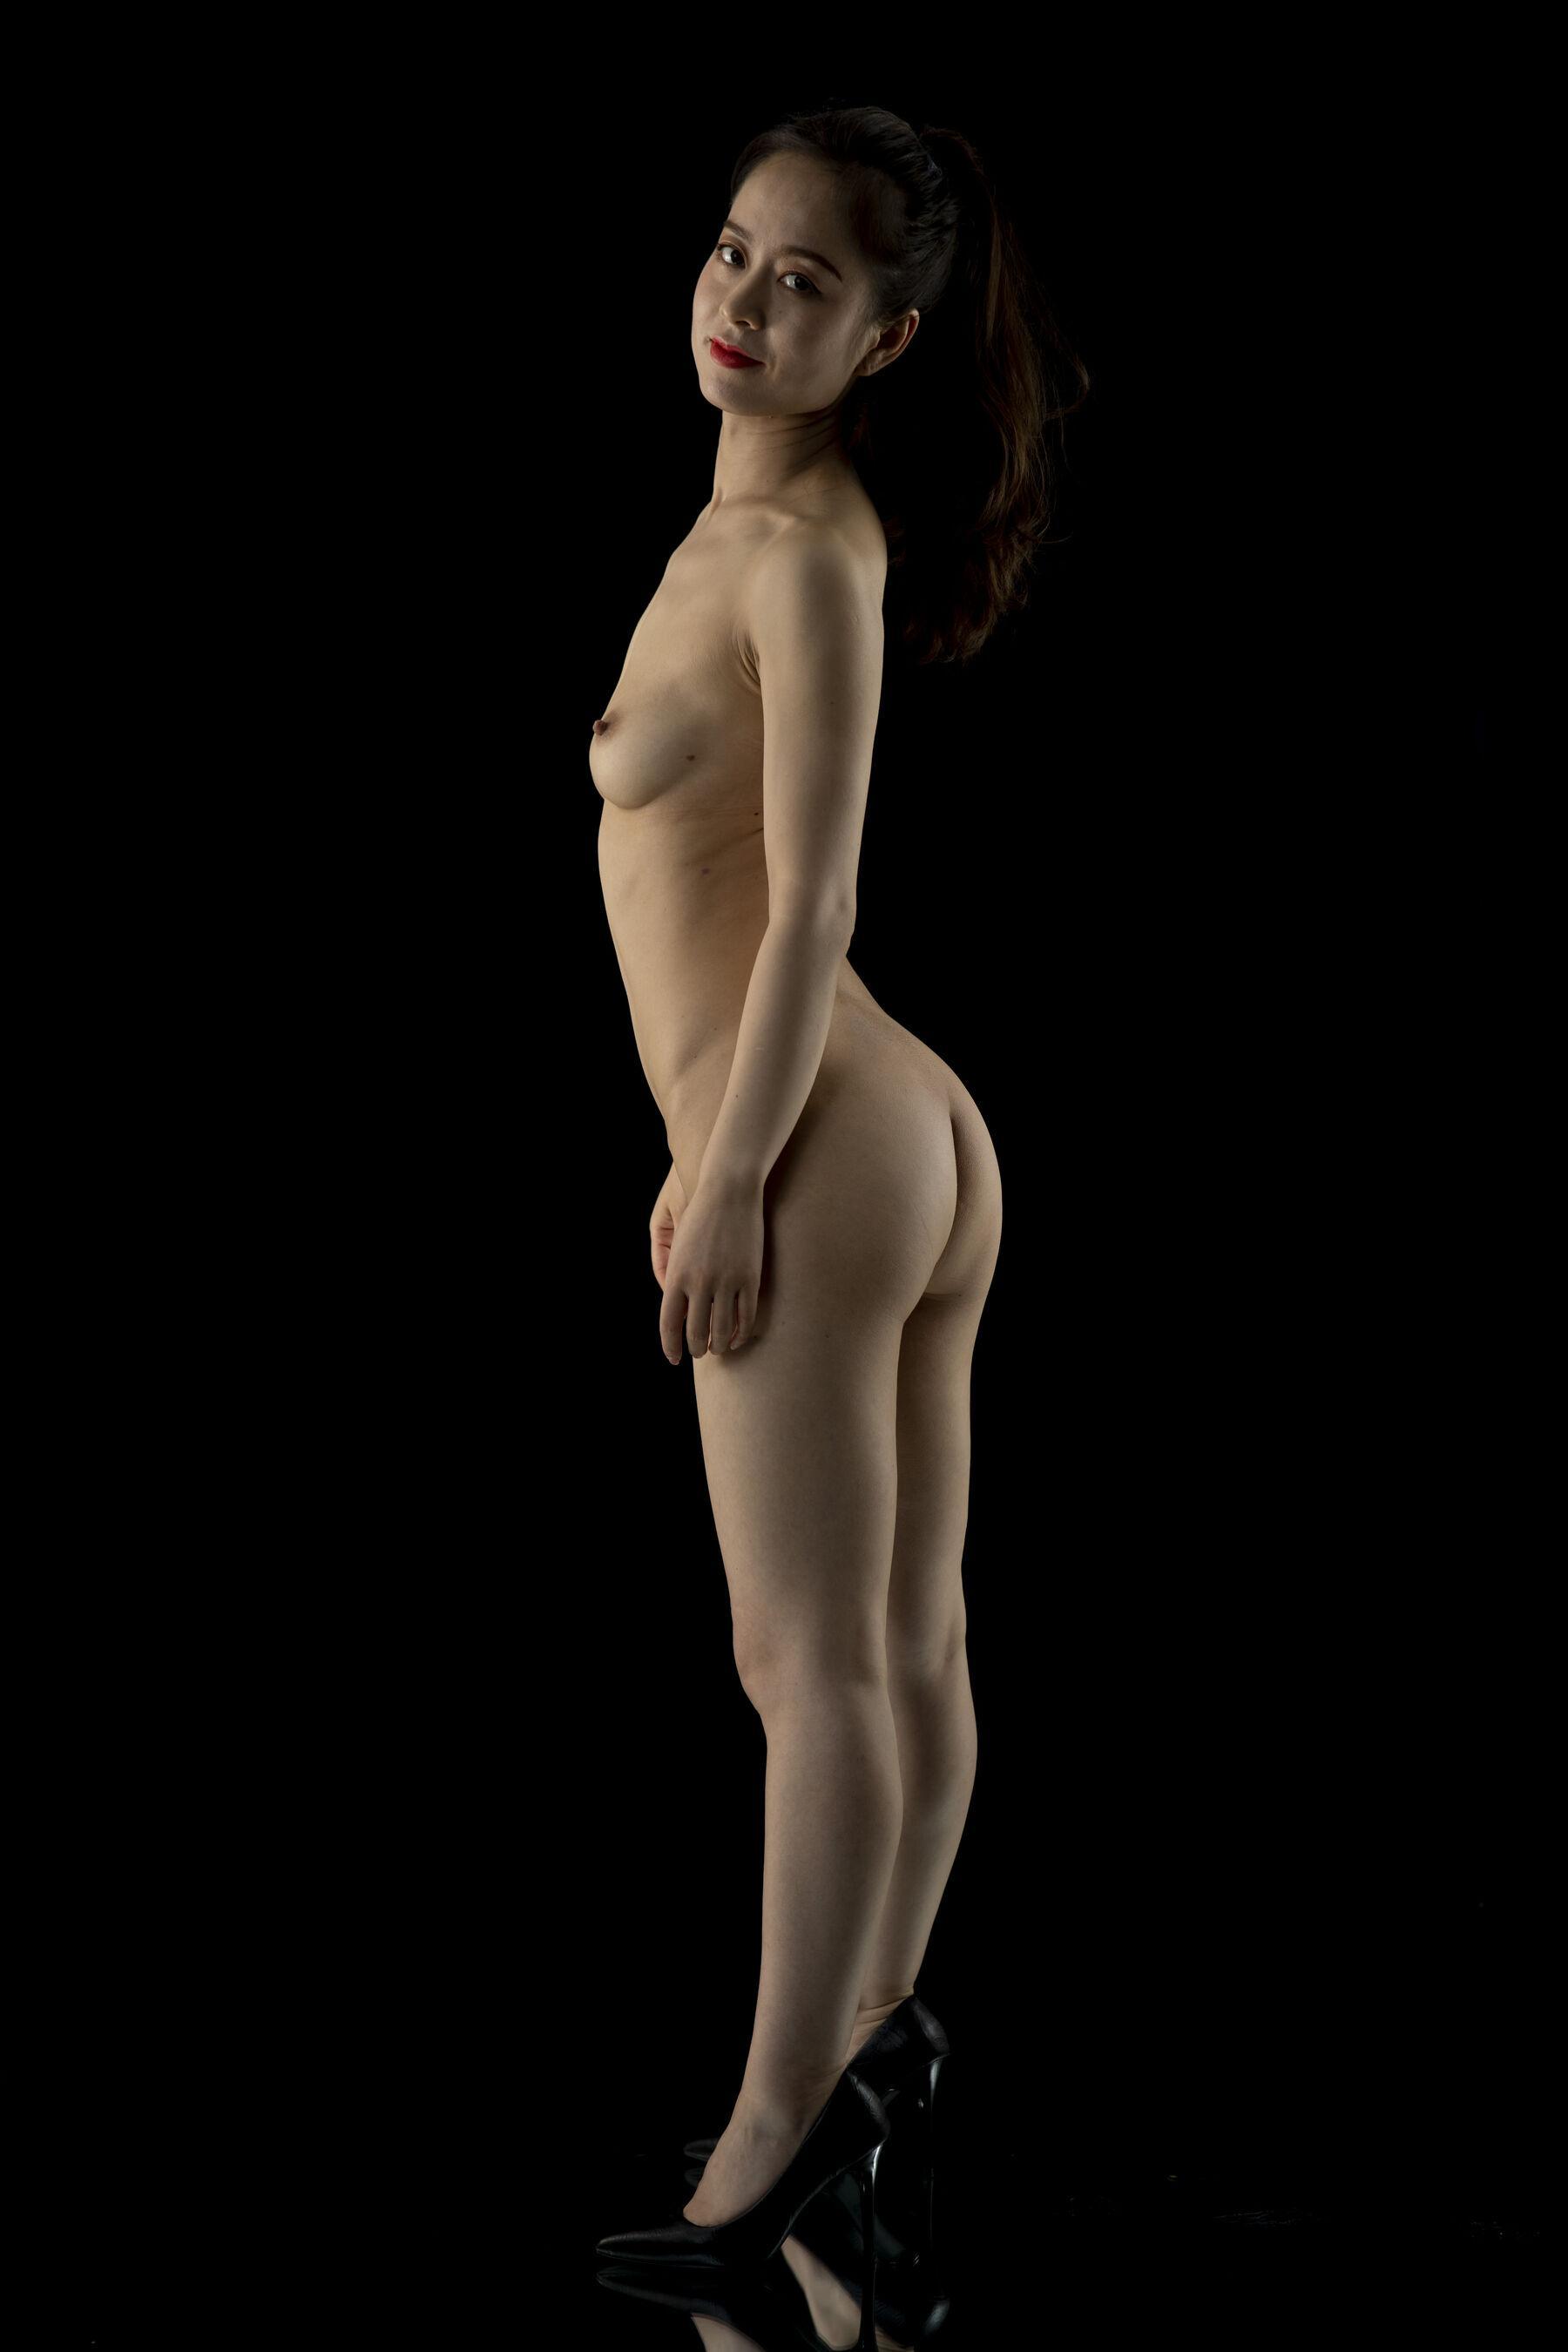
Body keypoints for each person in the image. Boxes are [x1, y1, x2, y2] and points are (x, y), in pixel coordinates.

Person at [591, 101, 1088, 2257]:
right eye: (732, 251)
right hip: (886, 1129)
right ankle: (872, 2058)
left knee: (811, 1663)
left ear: (884, 338)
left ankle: (774, 2139)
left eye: (803, 283)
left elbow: (810, 907)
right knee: (897, 1641)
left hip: (817, 1139)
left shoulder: (803, 557)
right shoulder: (756, 532)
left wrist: (724, 1170)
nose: (744, 302)